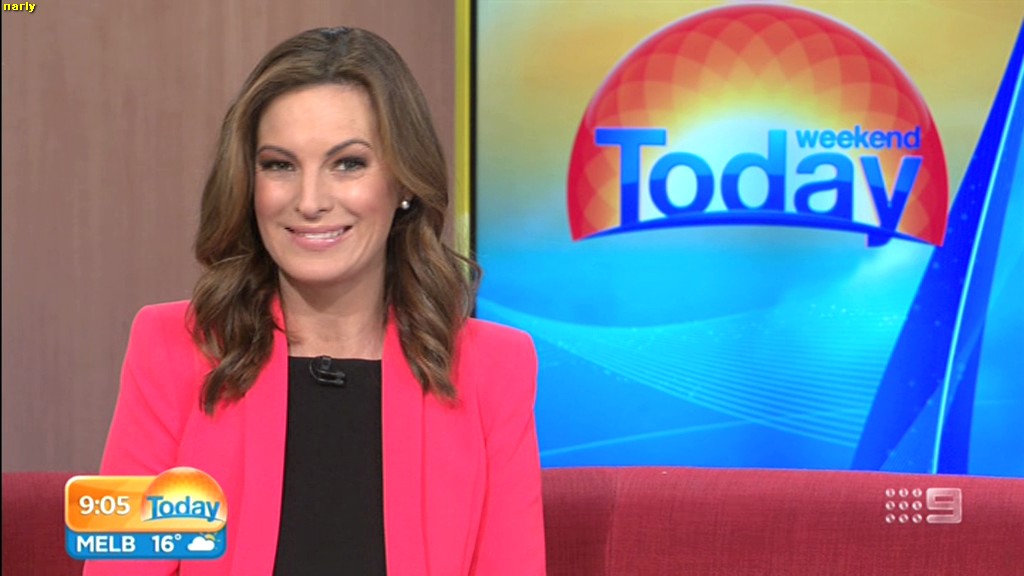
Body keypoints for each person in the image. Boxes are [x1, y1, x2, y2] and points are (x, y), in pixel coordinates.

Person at [84, 27, 545, 576]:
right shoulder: (170, 348)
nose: (309, 201)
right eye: (280, 165)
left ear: (404, 182)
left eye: (347, 163)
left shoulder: (493, 368)